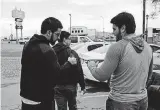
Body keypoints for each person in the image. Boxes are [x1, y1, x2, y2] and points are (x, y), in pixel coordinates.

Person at [87, 12, 153, 110]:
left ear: (123, 28)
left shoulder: (117, 47)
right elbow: (149, 76)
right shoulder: (148, 47)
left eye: (114, 29)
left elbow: (101, 76)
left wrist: (91, 66)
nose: (113, 33)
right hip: (142, 100)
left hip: (121, 102)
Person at [20, 17, 77, 110]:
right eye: (57, 34)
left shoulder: (27, 45)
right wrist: (69, 63)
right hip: (41, 99)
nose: (58, 38)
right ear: (49, 32)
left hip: (25, 97)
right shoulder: (47, 49)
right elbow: (57, 74)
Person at [53, 31, 86, 110]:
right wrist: (82, 86)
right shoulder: (72, 53)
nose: (70, 41)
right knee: (72, 107)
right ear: (64, 39)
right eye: (69, 39)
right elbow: (79, 70)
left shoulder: (52, 52)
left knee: (61, 108)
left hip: (57, 85)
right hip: (71, 86)